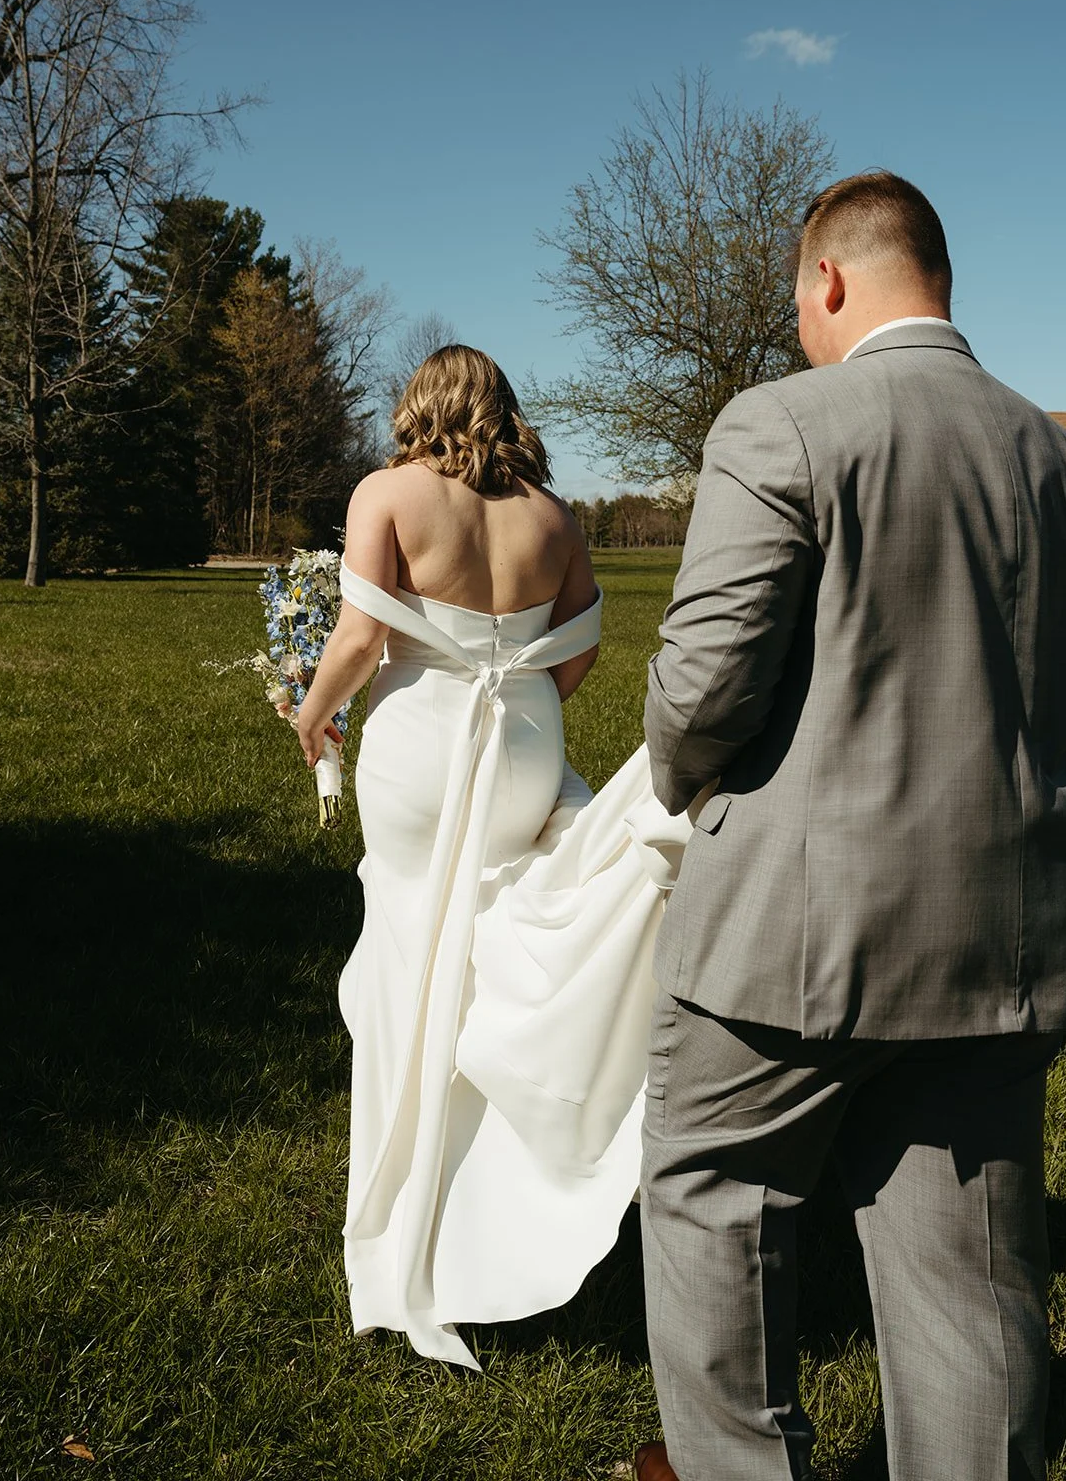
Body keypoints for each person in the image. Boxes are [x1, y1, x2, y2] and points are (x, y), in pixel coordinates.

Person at [636, 172, 1066, 1481]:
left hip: (787, 951)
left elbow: (699, 690)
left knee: (712, 1212)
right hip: (999, 947)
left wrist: (674, 778)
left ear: (828, 282)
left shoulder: (781, 426)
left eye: (798, 302)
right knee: (967, 1287)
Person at [295, 344, 689, 1370]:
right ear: (505, 409)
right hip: (523, 746)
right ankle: (492, 1192)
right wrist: (523, 711)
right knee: (487, 951)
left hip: (424, 749)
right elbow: (585, 646)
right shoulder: (555, 518)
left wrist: (311, 716)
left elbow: (356, 643)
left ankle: (418, 1222)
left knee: (411, 961)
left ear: (421, 407)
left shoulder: (388, 491)